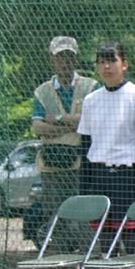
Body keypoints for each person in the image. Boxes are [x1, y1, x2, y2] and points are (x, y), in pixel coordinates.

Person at [77, 41, 135, 269]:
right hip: (100, 178)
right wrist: (85, 189)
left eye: (112, 61)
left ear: (124, 64)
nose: (106, 67)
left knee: (133, 244)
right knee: (107, 245)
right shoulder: (91, 100)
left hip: (129, 177)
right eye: (101, 61)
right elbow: (85, 145)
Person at [30, 36, 98, 249]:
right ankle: (60, 266)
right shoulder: (42, 91)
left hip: (81, 165)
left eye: (69, 57)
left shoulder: (90, 87)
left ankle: (87, 263)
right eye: (60, 57)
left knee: (82, 219)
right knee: (55, 219)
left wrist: (57, 119)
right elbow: (37, 127)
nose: (65, 62)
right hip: (51, 166)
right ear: (52, 60)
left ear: (75, 59)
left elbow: (90, 120)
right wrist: (72, 125)